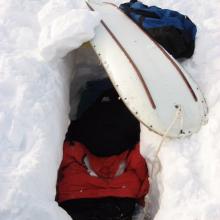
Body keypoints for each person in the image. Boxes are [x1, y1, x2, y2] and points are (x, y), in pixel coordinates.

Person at [56, 85, 150, 220]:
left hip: (76, 197)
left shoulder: (80, 131)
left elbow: (65, 158)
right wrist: (142, 199)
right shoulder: (131, 132)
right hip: (120, 198)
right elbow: (140, 164)